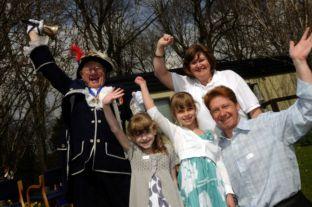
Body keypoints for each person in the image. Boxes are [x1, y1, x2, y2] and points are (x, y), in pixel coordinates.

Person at [24, 19, 131, 207]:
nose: (93, 71)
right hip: (81, 172)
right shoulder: (73, 91)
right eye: (88, 68)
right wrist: (33, 34)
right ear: (81, 75)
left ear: (105, 74)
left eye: (98, 68)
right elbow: (49, 69)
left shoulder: (120, 92)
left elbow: (142, 122)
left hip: (116, 171)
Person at [203, 28, 312, 207]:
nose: (222, 113)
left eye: (225, 106)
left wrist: (300, 62)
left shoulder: (269, 125)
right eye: (215, 110)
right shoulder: (217, 151)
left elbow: (307, 110)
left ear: (237, 105)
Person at [134, 76, 236, 207]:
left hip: (215, 185)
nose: (186, 114)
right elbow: (153, 113)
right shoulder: (176, 132)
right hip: (191, 187)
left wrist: (229, 192)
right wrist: (143, 86)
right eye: (181, 111)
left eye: (189, 109)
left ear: (195, 109)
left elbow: (220, 163)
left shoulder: (212, 135)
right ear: (174, 114)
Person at [153, 34, 262, 131]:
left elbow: (254, 110)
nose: (199, 65)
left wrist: (262, 134)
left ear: (209, 60)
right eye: (194, 62)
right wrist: (160, 47)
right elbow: (160, 73)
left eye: (201, 60)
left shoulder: (229, 76)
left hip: (241, 141)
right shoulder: (184, 84)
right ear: (188, 67)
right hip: (210, 148)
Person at [102, 88, 183, 207]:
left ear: (154, 130)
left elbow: (174, 179)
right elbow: (116, 129)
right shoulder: (133, 151)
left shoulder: (167, 149)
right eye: (138, 134)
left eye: (147, 132)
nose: (144, 138)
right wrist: (105, 106)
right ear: (132, 137)